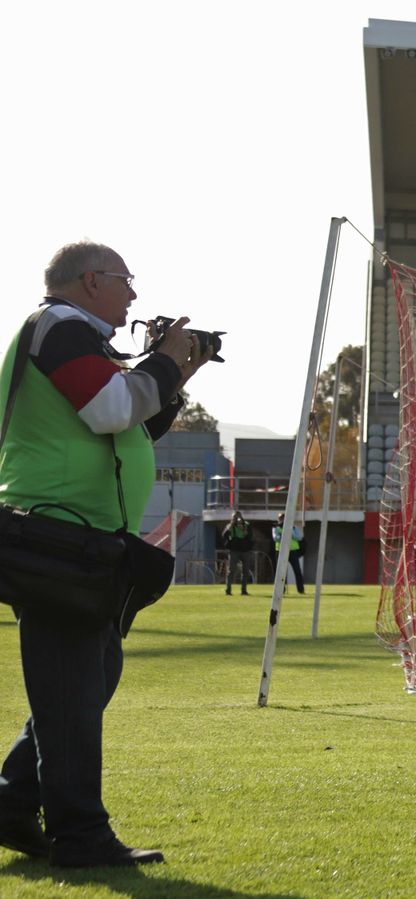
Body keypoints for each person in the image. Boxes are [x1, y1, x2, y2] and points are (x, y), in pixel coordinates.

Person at [0, 241, 213, 866]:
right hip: (57, 535)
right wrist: (164, 363)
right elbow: (112, 408)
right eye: (125, 281)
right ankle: (81, 837)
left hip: (75, 535)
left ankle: (13, 801)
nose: (133, 295)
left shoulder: (70, 333)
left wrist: (177, 373)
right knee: (73, 682)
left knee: (89, 678)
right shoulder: (61, 326)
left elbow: (134, 422)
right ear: (91, 280)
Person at [221, 511, 253, 596]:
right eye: (234, 517)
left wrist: (245, 530)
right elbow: (224, 535)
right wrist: (231, 526)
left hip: (245, 550)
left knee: (245, 571)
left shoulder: (246, 525)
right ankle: (228, 590)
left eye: (238, 517)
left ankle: (244, 590)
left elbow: (250, 536)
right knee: (231, 570)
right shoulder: (230, 526)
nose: (237, 519)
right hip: (234, 550)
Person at [273, 512, 306, 594]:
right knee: (281, 572)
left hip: (293, 551)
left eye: (284, 518)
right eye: (281, 518)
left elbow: (299, 537)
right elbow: (276, 538)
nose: (282, 520)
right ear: (278, 519)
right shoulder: (276, 528)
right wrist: (283, 534)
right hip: (281, 552)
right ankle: (281, 590)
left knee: (297, 571)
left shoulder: (293, 528)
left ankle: (300, 590)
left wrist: (290, 532)